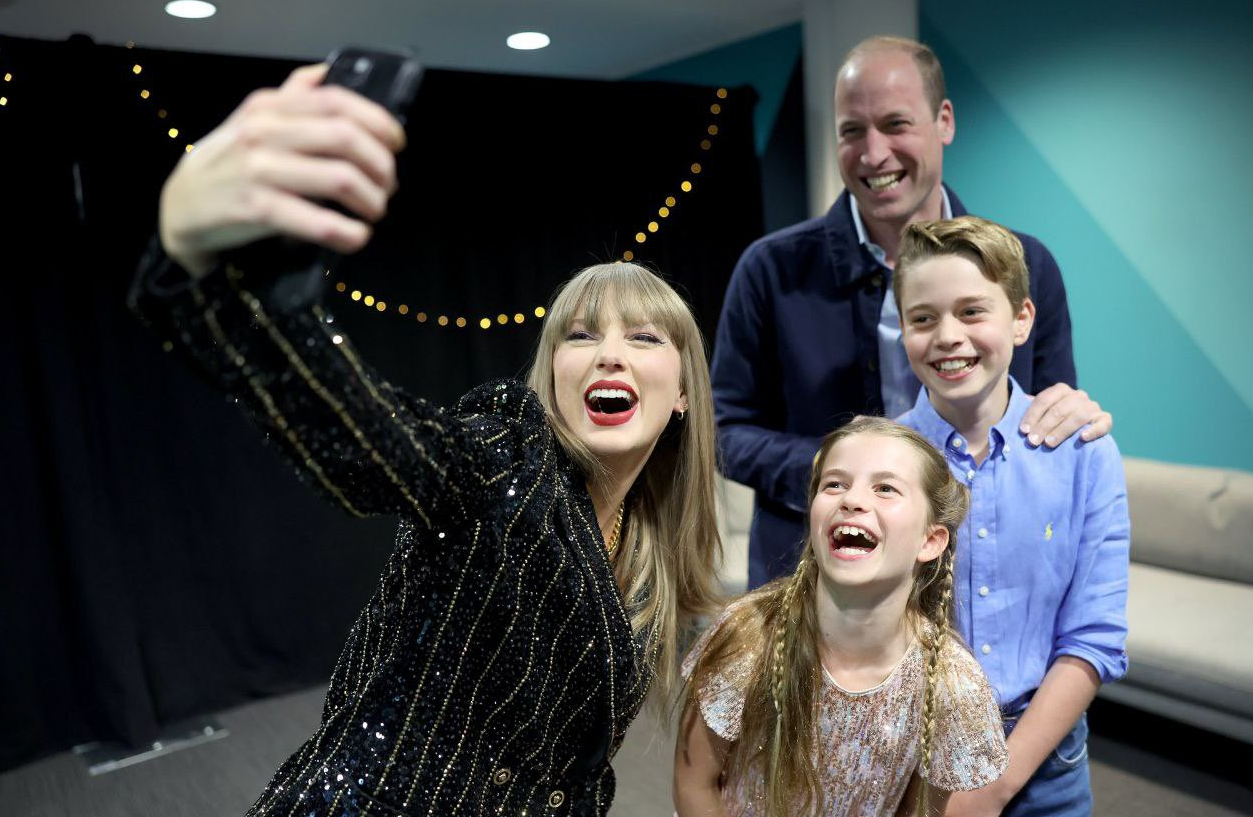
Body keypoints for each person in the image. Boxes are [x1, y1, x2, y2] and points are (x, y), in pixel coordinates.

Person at [129, 64, 723, 817]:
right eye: (579, 336)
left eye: (642, 337)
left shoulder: (646, 552)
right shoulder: (502, 458)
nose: (609, 353)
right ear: (549, 376)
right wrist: (199, 265)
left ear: (680, 395)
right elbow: (369, 437)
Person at [710, 36, 1113, 587]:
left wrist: (1073, 414)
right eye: (852, 131)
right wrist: (836, 472)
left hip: (984, 577)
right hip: (811, 577)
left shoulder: (1028, 265)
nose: (873, 154)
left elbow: (1048, 414)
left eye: (895, 124)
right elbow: (723, 429)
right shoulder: (769, 269)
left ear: (944, 121)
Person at [894, 216, 1129, 816]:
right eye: (923, 318)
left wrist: (996, 785)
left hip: (1047, 765)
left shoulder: (1084, 455)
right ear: (902, 330)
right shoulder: (881, 460)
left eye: (973, 312)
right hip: (908, 758)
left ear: (1021, 319)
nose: (948, 336)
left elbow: (1094, 637)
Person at [673, 416, 1008, 817]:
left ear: (930, 540)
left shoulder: (952, 684)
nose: (851, 500)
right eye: (834, 484)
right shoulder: (750, 636)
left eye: (885, 488)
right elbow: (694, 783)